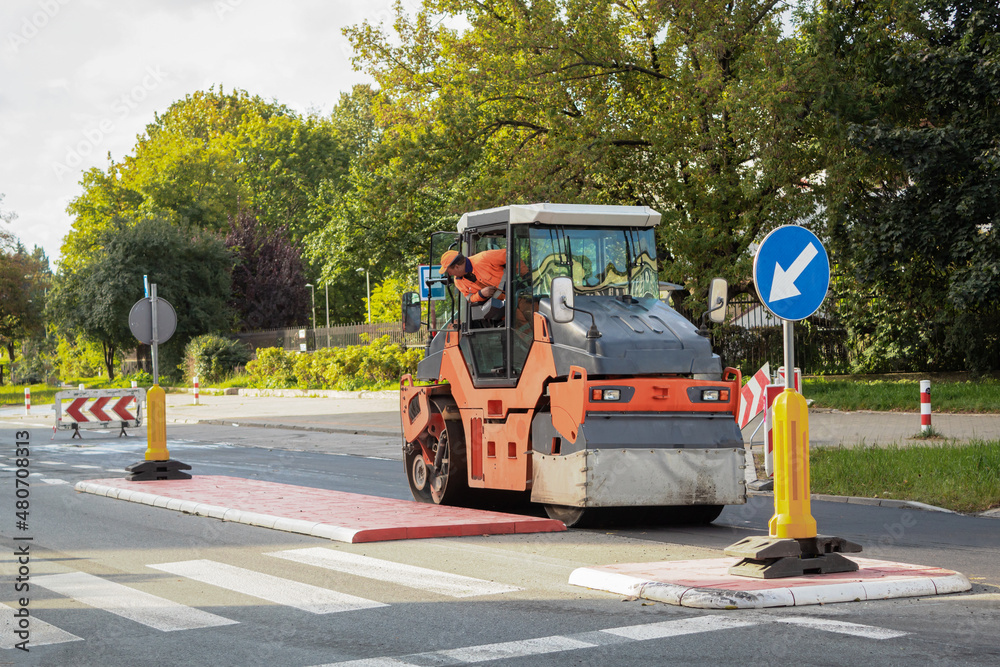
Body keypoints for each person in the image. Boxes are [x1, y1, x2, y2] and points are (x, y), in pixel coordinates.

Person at [439, 249, 506, 304]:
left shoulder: (484, 257)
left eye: (449, 272)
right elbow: (470, 298)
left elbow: (512, 256)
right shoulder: (458, 282)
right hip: (505, 307)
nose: (450, 275)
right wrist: (481, 294)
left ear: (457, 267)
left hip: (515, 290)